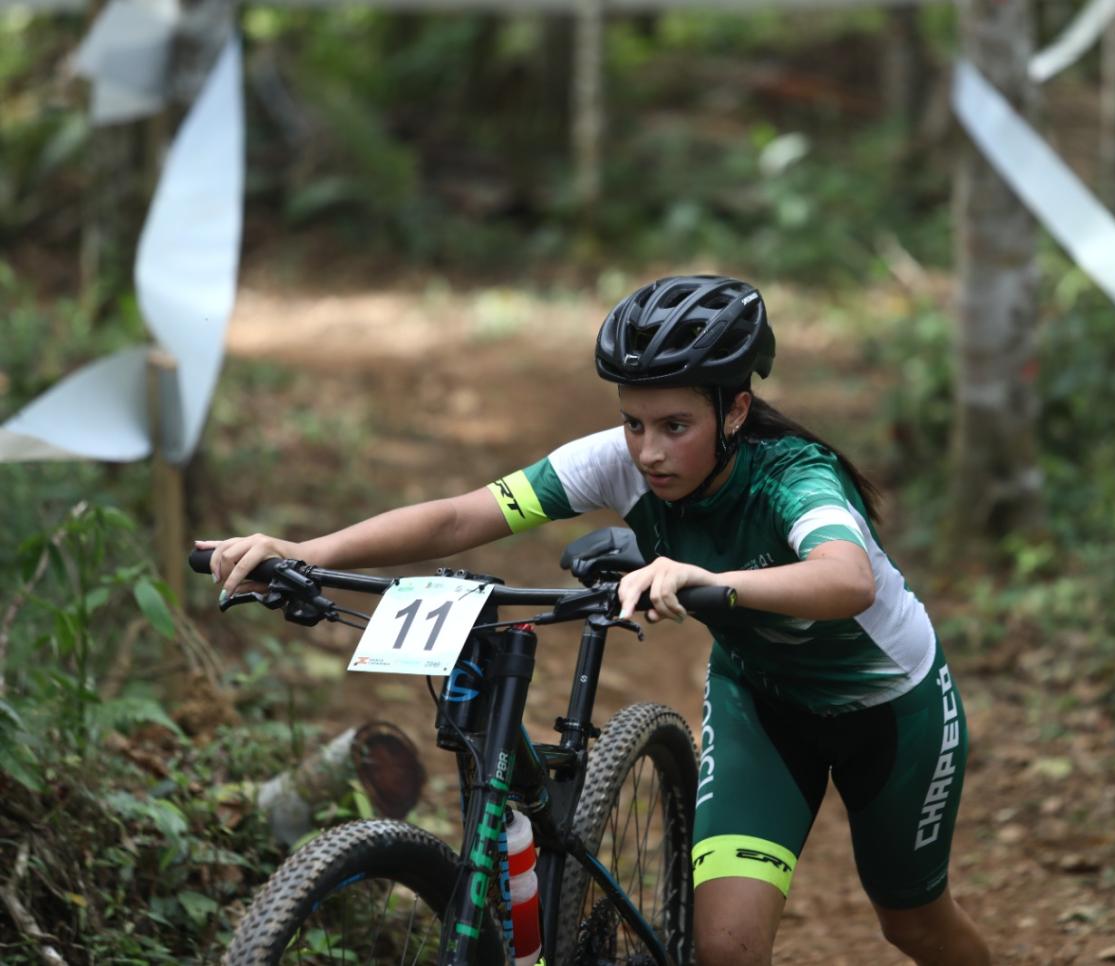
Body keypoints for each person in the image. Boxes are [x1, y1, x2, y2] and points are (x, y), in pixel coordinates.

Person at [201, 274, 991, 966]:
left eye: (675, 425)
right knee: (725, 949)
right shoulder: (618, 460)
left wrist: (704, 577)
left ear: (736, 409)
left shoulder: (793, 476)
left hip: (890, 708)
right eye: (633, 423)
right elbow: (456, 519)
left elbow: (847, 579)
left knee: (912, 926)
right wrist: (303, 549)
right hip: (765, 706)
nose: (647, 452)